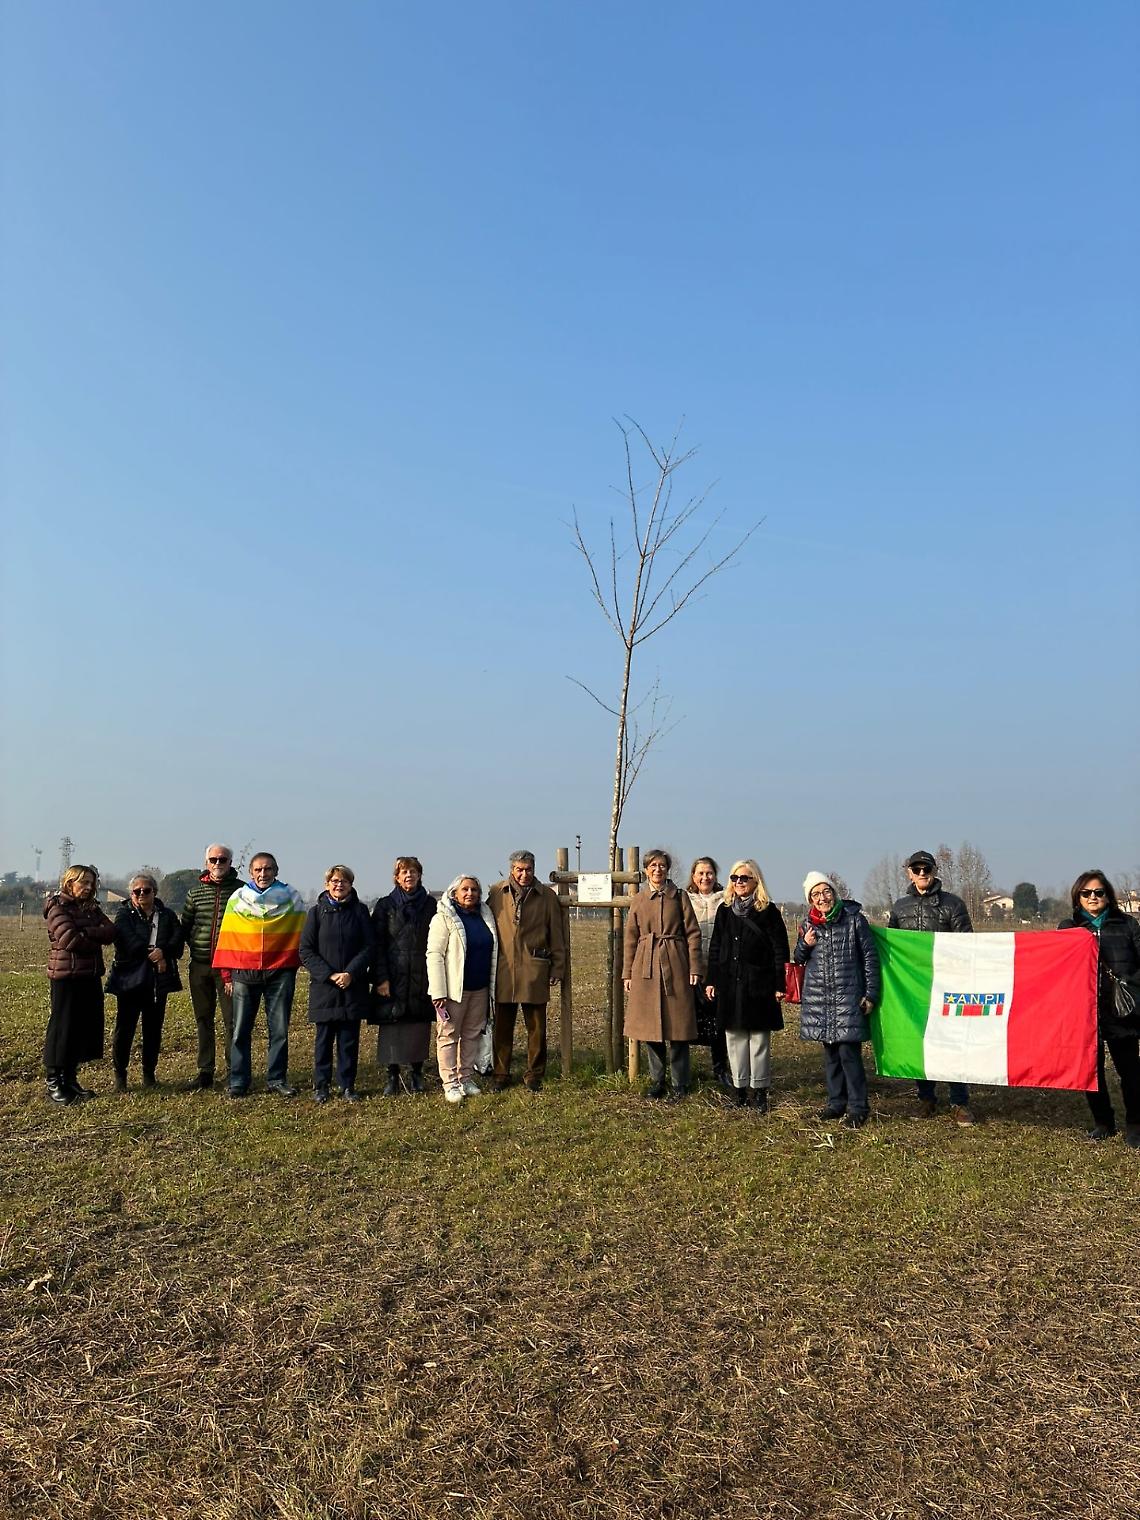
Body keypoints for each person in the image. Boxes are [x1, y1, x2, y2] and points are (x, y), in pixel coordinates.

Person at [888, 848, 976, 1125]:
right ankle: (925, 1097)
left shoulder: (953, 904)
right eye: (917, 869)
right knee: (918, 1041)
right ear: (909, 873)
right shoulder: (899, 908)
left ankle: (960, 1101)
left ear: (935, 871)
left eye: (927, 869)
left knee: (952, 1043)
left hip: (947, 985)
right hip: (912, 988)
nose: (922, 874)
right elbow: (891, 947)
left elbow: (967, 945)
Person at [212, 852, 306, 1098]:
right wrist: (226, 975)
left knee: (280, 1030)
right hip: (244, 972)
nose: (263, 874)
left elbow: (302, 932)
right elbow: (228, 935)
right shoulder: (238, 898)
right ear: (251, 873)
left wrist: (296, 962)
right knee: (241, 1029)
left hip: (280, 971)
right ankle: (239, 1080)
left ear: (276, 871)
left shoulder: (291, 897)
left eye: (268, 869)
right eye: (258, 870)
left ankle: (277, 1078)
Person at [1059, 871, 1140, 1147]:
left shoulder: (1127, 925)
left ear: (1108, 895)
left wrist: (1131, 986)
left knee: (1130, 1071)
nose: (1093, 897)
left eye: (1098, 892)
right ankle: (1103, 1122)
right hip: (1084, 1012)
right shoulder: (1068, 928)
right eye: (1086, 893)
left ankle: (1135, 1124)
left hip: (1122, 1010)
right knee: (1091, 1071)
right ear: (1077, 896)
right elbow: (1056, 969)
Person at [794, 872, 880, 1127]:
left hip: (847, 996)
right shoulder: (808, 925)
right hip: (821, 999)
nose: (822, 898)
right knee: (830, 1054)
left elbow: (869, 958)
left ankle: (858, 1106)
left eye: (826, 892)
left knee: (849, 1054)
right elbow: (798, 960)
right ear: (811, 900)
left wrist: (871, 993)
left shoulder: (854, 920)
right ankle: (835, 1102)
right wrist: (804, 945)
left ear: (835, 893)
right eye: (816, 894)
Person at [705, 859, 789, 1110]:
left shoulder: (769, 911)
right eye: (734, 878)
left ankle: (760, 1091)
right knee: (734, 1038)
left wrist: (779, 983)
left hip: (760, 985)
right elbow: (716, 948)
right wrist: (712, 980)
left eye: (744, 878)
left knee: (758, 1039)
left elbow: (779, 950)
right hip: (730, 984)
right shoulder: (724, 910)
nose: (739, 882)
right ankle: (739, 1091)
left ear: (756, 881)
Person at [623, 849, 702, 1101]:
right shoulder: (639, 899)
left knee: (678, 1028)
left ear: (668, 869)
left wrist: (694, 968)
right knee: (649, 1029)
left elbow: (693, 934)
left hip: (675, 964)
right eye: (653, 865)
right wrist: (627, 973)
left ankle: (680, 1083)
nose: (658, 869)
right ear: (646, 869)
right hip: (645, 967)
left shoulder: (679, 897)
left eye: (662, 865)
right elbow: (630, 939)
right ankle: (657, 1080)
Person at [487, 850, 566, 1092]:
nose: (524, 874)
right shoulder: (496, 894)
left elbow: (557, 935)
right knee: (502, 1027)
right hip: (504, 970)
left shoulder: (547, 897)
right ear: (512, 870)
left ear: (534, 869)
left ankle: (534, 1073)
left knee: (537, 1027)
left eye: (528, 869)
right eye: (519, 870)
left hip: (535, 969)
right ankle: (500, 1073)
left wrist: (558, 967)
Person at [43, 864, 116, 1104]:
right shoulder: (57, 906)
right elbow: (69, 939)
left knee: (80, 1029)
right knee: (62, 1028)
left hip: (89, 975)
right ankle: (54, 1082)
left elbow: (111, 931)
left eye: (91, 883)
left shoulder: (91, 908)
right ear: (69, 883)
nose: (88, 888)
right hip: (66, 977)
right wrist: (92, 937)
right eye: (83, 882)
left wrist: (86, 932)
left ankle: (70, 1080)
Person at [299, 865, 373, 1104]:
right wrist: (329, 975)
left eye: (344, 881)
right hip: (325, 988)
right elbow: (306, 950)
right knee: (323, 1040)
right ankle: (321, 1085)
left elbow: (369, 946)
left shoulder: (361, 912)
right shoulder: (315, 913)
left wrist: (351, 972)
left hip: (353, 985)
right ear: (326, 884)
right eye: (334, 881)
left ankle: (347, 1085)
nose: (339, 885)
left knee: (349, 1039)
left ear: (351, 885)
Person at [106, 873, 185, 1090]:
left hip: (158, 982)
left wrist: (164, 951)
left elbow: (177, 942)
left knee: (153, 1029)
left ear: (154, 892)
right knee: (124, 1029)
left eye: (146, 890)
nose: (142, 894)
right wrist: (155, 955)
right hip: (130, 981)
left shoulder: (167, 915)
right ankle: (120, 1077)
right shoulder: (123, 914)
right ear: (131, 894)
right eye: (137, 891)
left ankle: (149, 1075)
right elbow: (128, 942)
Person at [426, 875, 498, 1104]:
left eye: (474, 890)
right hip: (453, 990)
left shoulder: (485, 915)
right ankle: (450, 1082)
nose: (470, 893)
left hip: (480, 987)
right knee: (448, 1035)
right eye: (465, 889)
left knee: (471, 1034)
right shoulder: (443, 918)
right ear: (454, 893)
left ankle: (466, 1077)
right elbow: (434, 955)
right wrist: (438, 991)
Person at [370, 856, 438, 1096]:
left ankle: (417, 1072)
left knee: (418, 1025)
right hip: (392, 972)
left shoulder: (431, 905)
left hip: (422, 972)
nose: (409, 876)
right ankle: (392, 1073)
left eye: (413, 872)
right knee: (392, 1025)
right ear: (396, 877)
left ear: (420, 875)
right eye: (404, 872)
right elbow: (376, 945)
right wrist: (381, 978)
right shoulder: (385, 905)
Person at [180, 844, 243, 1090]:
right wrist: (196, 947)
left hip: (230, 968)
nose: (218, 864)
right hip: (200, 966)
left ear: (230, 863)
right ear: (206, 862)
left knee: (232, 1021)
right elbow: (186, 926)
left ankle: (233, 1071)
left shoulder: (241, 892)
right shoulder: (195, 893)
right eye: (213, 859)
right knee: (203, 1018)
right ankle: (205, 1071)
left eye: (223, 859)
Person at [687, 856, 731, 1087]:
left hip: (718, 970)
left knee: (718, 1022)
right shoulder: (684, 900)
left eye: (709, 873)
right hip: (691, 969)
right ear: (693, 876)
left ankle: (720, 1068)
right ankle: (684, 1069)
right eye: (700, 873)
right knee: (690, 1019)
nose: (705, 877)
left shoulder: (726, 900)